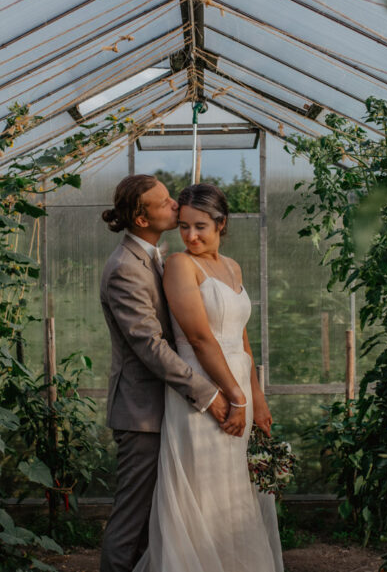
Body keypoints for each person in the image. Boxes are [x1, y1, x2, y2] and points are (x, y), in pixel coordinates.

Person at [132, 182, 283, 572]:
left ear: (221, 223)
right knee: (206, 488)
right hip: (204, 393)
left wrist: (256, 400)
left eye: (200, 226)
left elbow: (242, 340)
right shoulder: (180, 265)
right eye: (184, 226)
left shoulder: (232, 267)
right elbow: (200, 339)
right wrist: (235, 398)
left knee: (234, 490)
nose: (191, 236)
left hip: (239, 388)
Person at [98, 175, 234, 572]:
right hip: (142, 414)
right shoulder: (125, 268)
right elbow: (150, 346)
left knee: (159, 519)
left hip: (168, 408)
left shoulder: (156, 256)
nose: (175, 203)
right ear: (142, 220)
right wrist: (208, 393)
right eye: (164, 203)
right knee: (133, 520)